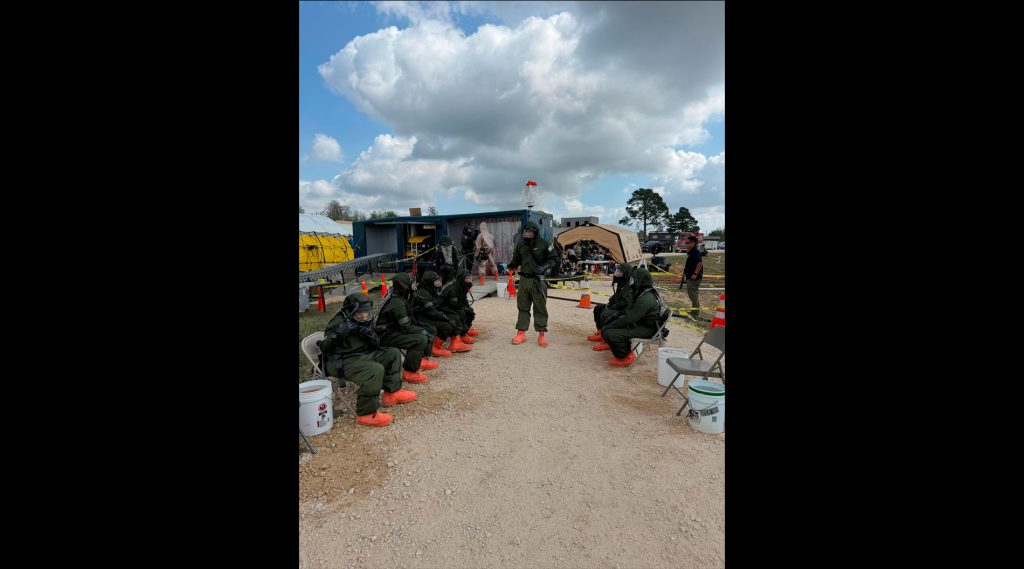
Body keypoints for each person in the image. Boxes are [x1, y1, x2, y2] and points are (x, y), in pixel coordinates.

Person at [318, 292, 417, 427]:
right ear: (351, 310)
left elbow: (375, 344)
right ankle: (366, 413)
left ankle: (392, 392)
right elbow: (324, 347)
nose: (364, 315)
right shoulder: (338, 321)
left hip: (362, 354)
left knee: (392, 353)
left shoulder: (364, 320)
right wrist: (339, 335)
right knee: (375, 370)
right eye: (361, 312)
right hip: (342, 359)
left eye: (366, 312)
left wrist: (370, 336)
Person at [374, 272, 439, 382]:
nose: (413, 287)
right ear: (404, 286)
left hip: (391, 331)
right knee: (420, 338)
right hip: (385, 336)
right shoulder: (397, 303)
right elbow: (406, 327)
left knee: (424, 332)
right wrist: (422, 331)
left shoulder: (397, 297)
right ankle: (410, 372)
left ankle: (419, 361)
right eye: (410, 284)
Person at [507, 220, 559, 346]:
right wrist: (512, 266)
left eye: (530, 231)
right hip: (524, 280)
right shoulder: (520, 244)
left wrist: (545, 267)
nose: (527, 233)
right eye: (526, 231)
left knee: (540, 307)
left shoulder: (544, 243)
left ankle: (541, 334)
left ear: (535, 232)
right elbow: (516, 259)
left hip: (538, 280)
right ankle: (521, 333)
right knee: (523, 306)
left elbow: (554, 258)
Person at [601, 267, 661, 367]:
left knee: (610, 333)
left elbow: (630, 318)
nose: (631, 282)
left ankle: (625, 357)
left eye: (634, 279)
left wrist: (611, 324)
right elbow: (630, 312)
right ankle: (624, 352)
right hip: (640, 323)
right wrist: (615, 317)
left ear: (641, 280)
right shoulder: (642, 292)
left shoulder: (646, 298)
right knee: (610, 326)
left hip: (647, 328)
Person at [412, 270, 472, 354]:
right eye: (435, 281)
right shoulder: (423, 293)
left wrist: (448, 313)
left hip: (430, 314)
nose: (438, 282)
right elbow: (430, 311)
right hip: (422, 317)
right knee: (446, 325)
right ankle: (434, 347)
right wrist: (443, 316)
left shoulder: (431, 290)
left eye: (438, 280)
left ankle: (456, 342)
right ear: (429, 281)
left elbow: (439, 304)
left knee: (455, 316)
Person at [587, 263, 635, 351]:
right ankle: (601, 332)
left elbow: (624, 303)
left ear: (626, 273)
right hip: (618, 306)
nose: (617, 273)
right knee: (598, 308)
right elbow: (616, 296)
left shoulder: (629, 285)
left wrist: (612, 307)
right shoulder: (622, 282)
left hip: (624, 310)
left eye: (620, 271)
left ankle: (607, 341)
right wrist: (610, 303)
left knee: (606, 314)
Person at [439, 267, 477, 346]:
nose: (469, 279)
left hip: (452, 305)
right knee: (461, 313)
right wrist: (464, 308)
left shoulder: (464, 285)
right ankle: (462, 334)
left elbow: (463, 298)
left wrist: (467, 306)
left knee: (469, 311)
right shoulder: (453, 288)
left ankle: (465, 329)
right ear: (462, 278)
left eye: (470, 277)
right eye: (467, 277)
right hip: (444, 307)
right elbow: (454, 305)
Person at [679, 234, 704, 320]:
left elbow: (700, 263)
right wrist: (685, 273)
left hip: (694, 278)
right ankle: (694, 311)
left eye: (687, 242)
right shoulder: (691, 251)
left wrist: (695, 273)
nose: (686, 244)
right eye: (686, 242)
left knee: (693, 295)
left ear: (693, 243)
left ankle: (695, 313)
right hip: (690, 277)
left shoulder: (695, 252)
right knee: (692, 295)